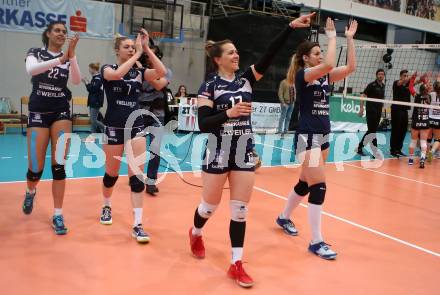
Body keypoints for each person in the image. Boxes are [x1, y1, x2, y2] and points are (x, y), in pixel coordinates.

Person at [187, 13, 316, 288]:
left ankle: (236, 263)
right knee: (209, 207)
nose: (236, 56)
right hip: (217, 150)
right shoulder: (208, 86)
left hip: (244, 151)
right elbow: (203, 124)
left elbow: (270, 53)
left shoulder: (247, 79)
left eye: (236, 52)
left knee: (240, 210)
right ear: (218, 58)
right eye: (231, 53)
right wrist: (229, 113)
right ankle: (196, 232)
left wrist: (290, 27)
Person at [276, 18, 358, 260]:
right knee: (319, 186)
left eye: (321, 52)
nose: (321, 56)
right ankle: (316, 241)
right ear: (306, 58)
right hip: (307, 137)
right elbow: (331, 62)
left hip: (323, 136)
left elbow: (350, 67)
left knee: (305, 184)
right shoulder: (305, 76)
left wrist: (350, 39)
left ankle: (283, 217)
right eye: (317, 53)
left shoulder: (324, 77)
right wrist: (332, 37)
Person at [99, 29, 167, 243]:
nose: (130, 49)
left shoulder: (140, 72)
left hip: (135, 126)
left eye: (132, 46)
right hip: (113, 126)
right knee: (111, 175)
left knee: (136, 177)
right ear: (117, 50)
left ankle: (138, 224)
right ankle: (106, 206)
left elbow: (161, 71)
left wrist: (146, 49)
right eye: (126, 47)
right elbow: (116, 75)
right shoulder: (108, 68)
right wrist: (137, 55)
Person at [22, 21, 81, 235]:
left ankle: (58, 214)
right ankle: (30, 191)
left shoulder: (68, 56)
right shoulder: (36, 52)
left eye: (64, 32)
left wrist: (71, 57)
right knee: (35, 168)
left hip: (60, 112)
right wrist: (61, 59)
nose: (61, 34)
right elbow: (31, 69)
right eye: (57, 30)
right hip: (38, 112)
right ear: (47, 34)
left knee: (59, 166)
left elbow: (75, 80)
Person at [138, 45, 172, 196]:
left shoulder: (167, 72)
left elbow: (158, 85)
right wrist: (140, 70)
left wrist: (143, 72)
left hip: (157, 115)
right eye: (147, 55)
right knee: (135, 148)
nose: (150, 58)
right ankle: (136, 176)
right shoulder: (137, 71)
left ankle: (151, 181)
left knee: (155, 149)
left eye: (154, 55)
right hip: (139, 114)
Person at [357, 68, 386, 158]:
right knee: (372, 131)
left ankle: (360, 147)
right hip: (371, 111)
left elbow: (382, 99)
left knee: (371, 131)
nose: (380, 75)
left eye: (382, 74)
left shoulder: (383, 86)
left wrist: (382, 109)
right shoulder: (372, 85)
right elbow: (363, 95)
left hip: (378, 111)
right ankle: (375, 151)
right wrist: (361, 108)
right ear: (376, 75)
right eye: (379, 74)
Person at [390, 70, 413, 157]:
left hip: (404, 110)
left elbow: (414, 83)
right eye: (404, 75)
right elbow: (400, 83)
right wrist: (407, 78)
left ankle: (399, 149)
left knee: (403, 130)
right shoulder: (396, 83)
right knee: (396, 130)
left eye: (407, 75)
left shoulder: (407, 85)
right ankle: (393, 150)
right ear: (400, 76)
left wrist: (420, 79)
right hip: (396, 109)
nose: (406, 77)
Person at [408, 83, 431, 168]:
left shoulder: (417, 96)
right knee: (423, 141)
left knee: (413, 140)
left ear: (420, 90)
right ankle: (422, 159)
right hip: (425, 121)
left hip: (416, 120)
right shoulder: (429, 97)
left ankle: (410, 160)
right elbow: (433, 89)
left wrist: (414, 78)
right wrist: (426, 82)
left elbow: (410, 87)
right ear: (427, 91)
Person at [82, 62, 105, 139]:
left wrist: (86, 82)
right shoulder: (95, 78)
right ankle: (92, 136)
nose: (89, 70)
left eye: (89, 68)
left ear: (93, 69)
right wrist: (88, 82)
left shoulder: (98, 78)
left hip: (96, 101)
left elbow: (92, 89)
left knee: (93, 120)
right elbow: (92, 88)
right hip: (93, 101)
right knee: (93, 120)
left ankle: (107, 129)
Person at [428, 81, 440, 160]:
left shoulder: (430, 95)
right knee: (438, 139)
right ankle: (433, 151)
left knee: (428, 139)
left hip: (430, 118)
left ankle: (426, 153)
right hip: (438, 119)